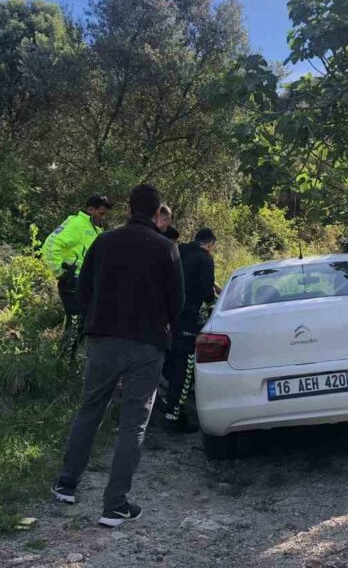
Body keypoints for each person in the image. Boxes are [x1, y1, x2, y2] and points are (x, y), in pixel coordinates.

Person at [51, 184, 185, 527]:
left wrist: (99, 315)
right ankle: (114, 505)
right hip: (147, 343)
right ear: (158, 214)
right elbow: (177, 304)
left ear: (128, 207)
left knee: (90, 410)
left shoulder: (103, 241)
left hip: (104, 338)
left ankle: (66, 484)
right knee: (133, 423)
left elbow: (82, 292)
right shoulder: (167, 249)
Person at [161, 228, 220, 432]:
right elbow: (206, 293)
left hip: (166, 316)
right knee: (184, 367)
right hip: (187, 317)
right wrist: (215, 301)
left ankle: (163, 403)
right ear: (210, 243)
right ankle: (173, 416)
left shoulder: (177, 251)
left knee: (168, 362)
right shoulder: (204, 259)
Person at [42, 194, 113, 359]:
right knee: (76, 324)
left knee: (81, 323)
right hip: (72, 281)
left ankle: (68, 360)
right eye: (101, 213)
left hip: (83, 282)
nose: (103, 218)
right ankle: (64, 361)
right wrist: (59, 272)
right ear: (90, 210)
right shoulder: (77, 224)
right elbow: (51, 245)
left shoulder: (94, 229)